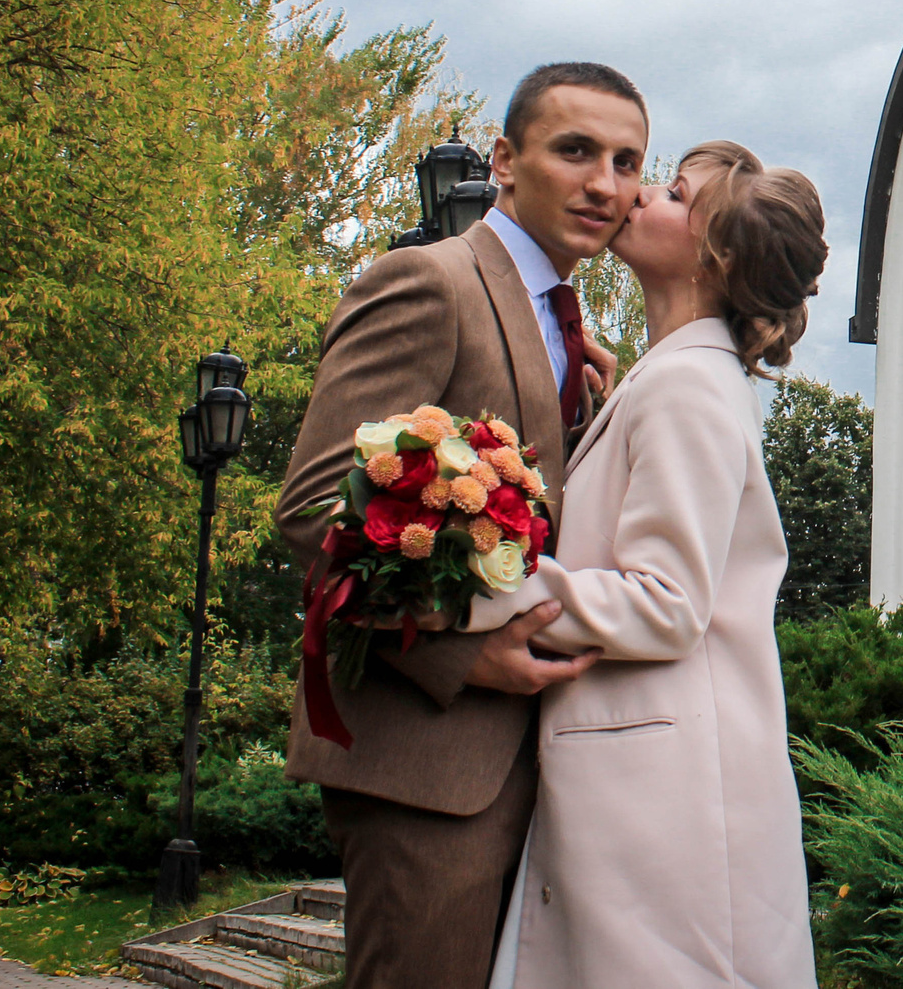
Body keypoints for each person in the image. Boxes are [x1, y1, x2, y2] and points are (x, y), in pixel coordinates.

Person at [276, 62, 649, 989]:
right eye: (575, 150)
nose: (605, 182)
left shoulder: (570, 325)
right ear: (506, 160)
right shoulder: (428, 282)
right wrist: (457, 654)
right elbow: (317, 505)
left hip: (543, 760)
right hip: (426, 764)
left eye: (628, 160)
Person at [474, 140, 828, 989]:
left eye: (673, 192)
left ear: (718, 255)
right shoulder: (672, 379)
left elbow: (665, 601)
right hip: (650, 776)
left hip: (664, 796)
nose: (638, 195)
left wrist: (482, 587)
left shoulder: (687, 389)